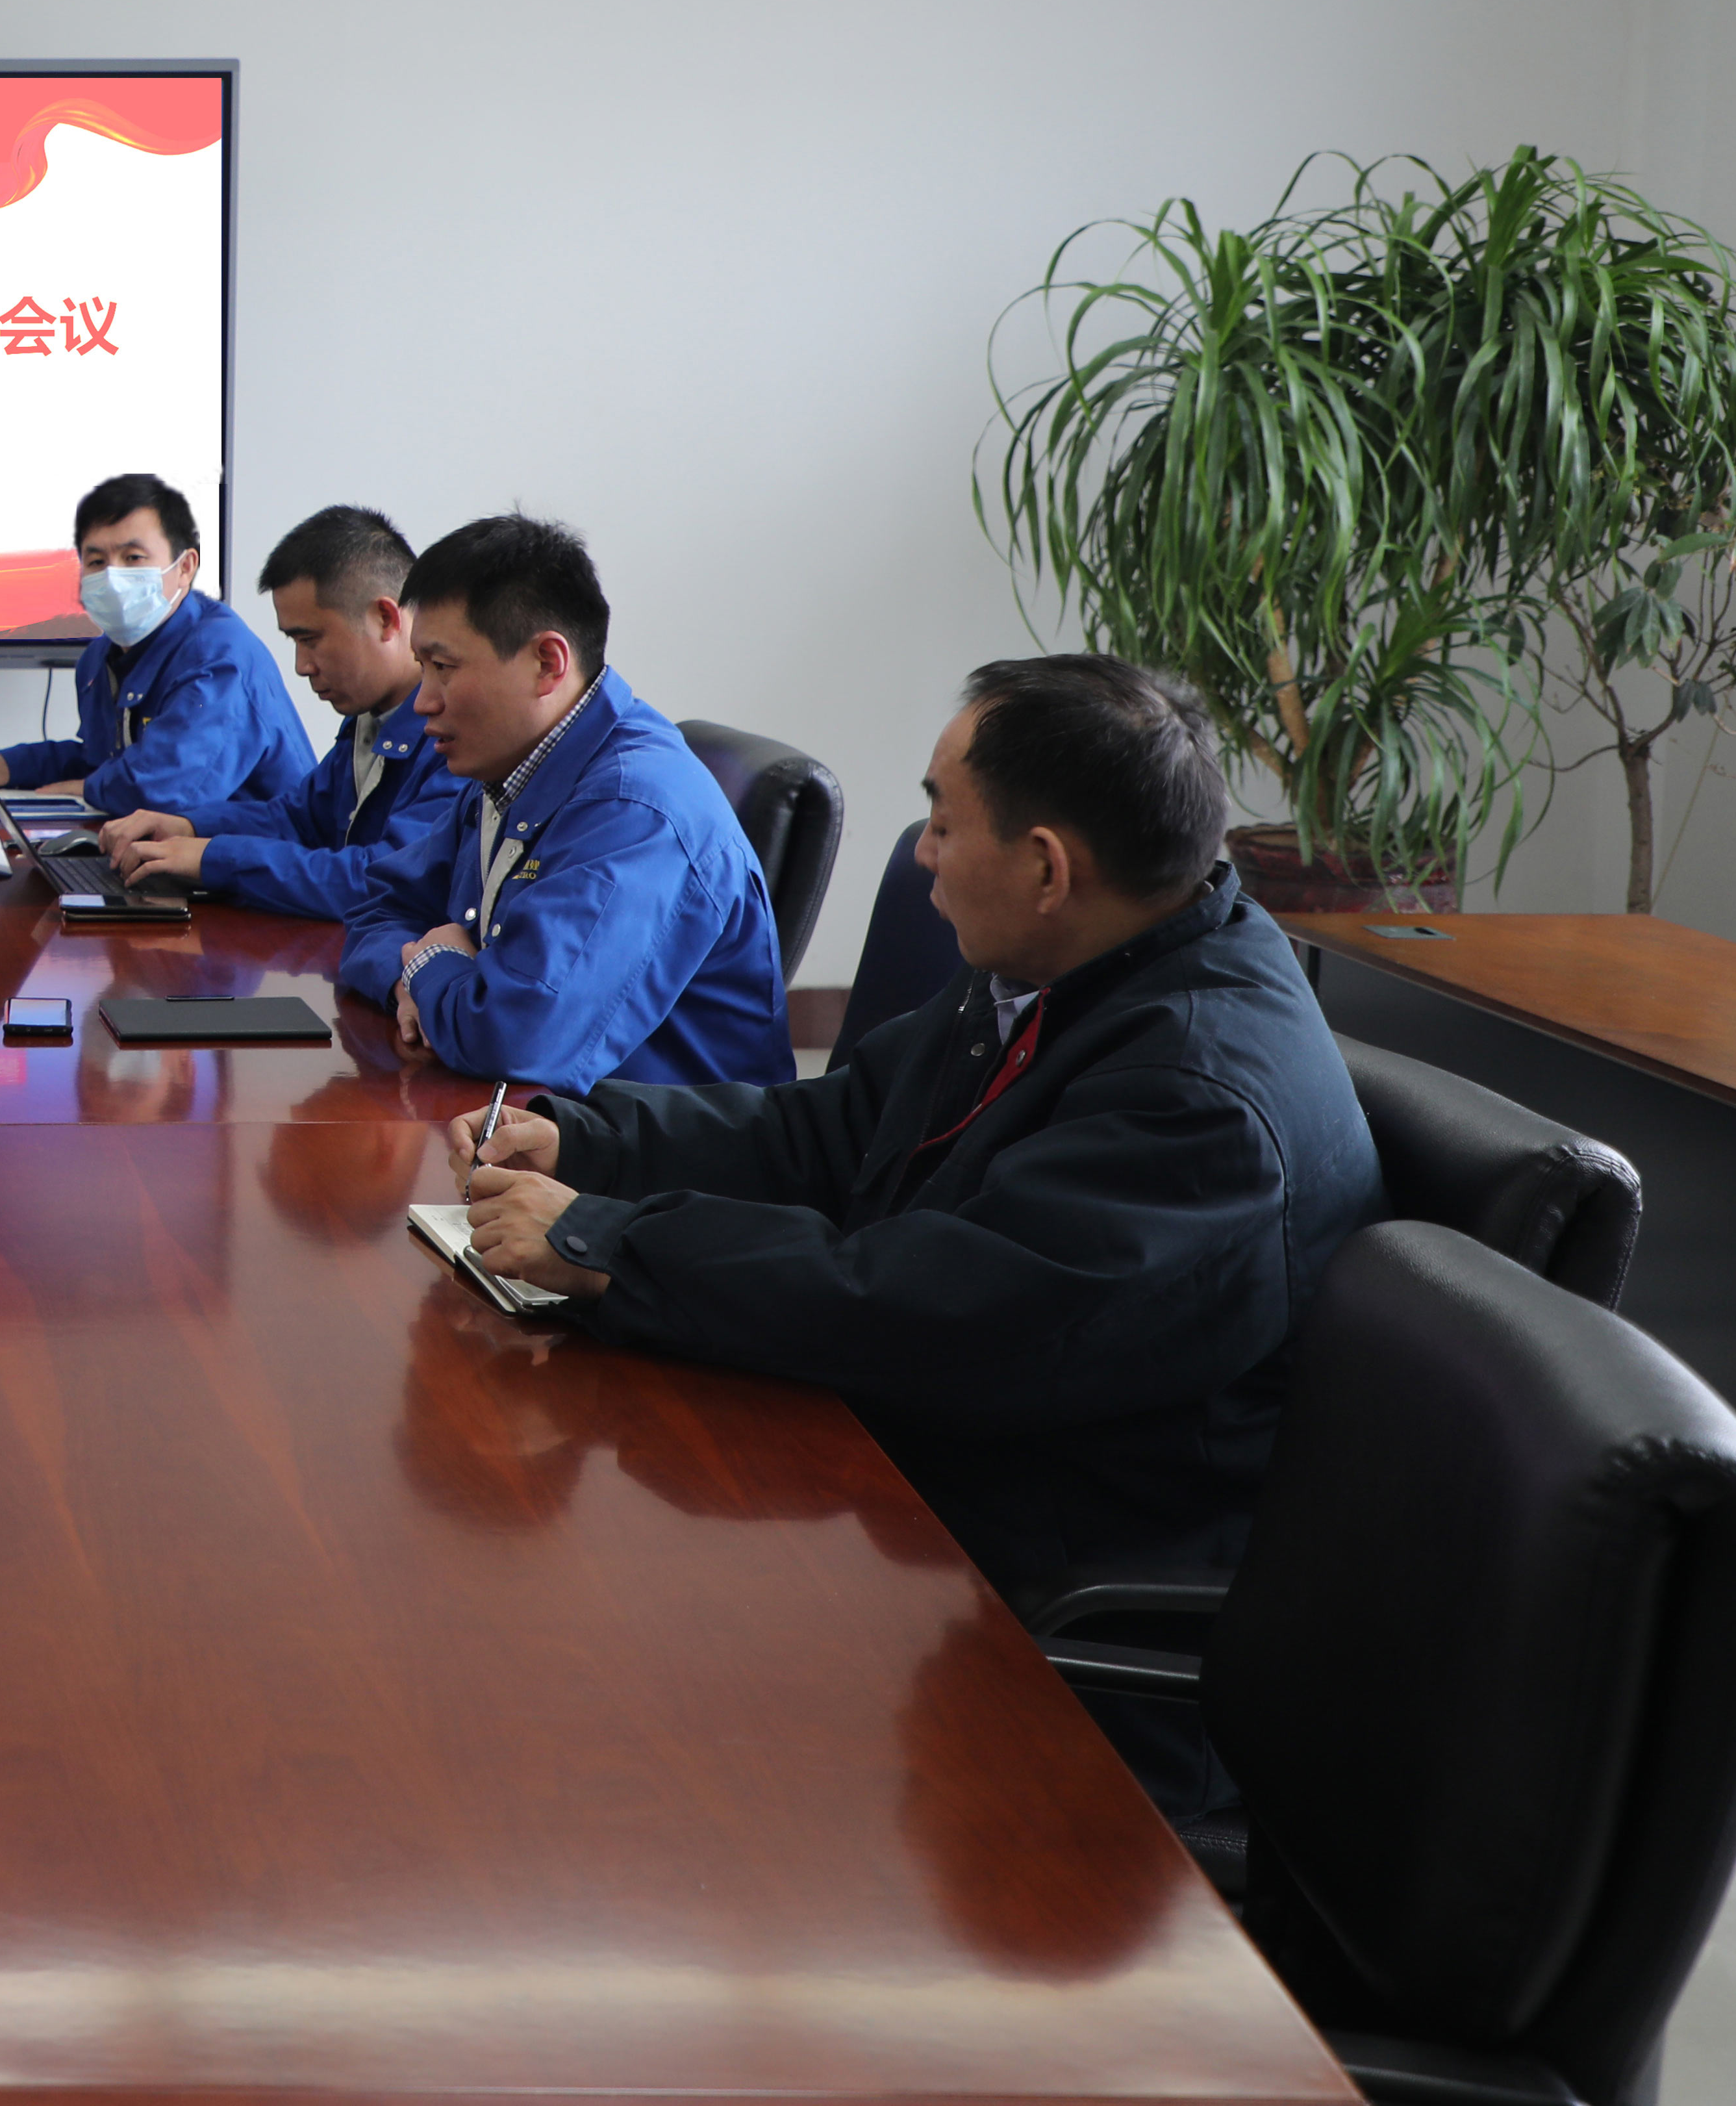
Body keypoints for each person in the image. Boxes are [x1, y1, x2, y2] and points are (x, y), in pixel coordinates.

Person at [441, 656, 1385, 1809]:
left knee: (572, 1720)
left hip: (1041, 1627)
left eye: (942, 824)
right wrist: (594, 1144)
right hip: (931, 1498)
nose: (924, 856)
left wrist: (608, 1243)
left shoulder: (1198, 1100)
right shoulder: (1083, 965)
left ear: (1047, 867)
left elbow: (918, 1309)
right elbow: (838, 1127)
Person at [334, 515, 791, 1089]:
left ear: (548, 663)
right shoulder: (511, 769)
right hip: (546, 1133)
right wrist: (413, 979)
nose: (423, 700)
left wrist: (431, 965)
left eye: (444, 668)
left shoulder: (636, 811)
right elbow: (375, 910)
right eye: (422, 668)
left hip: (655, 1166)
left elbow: (516, 1036)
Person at [97, 502, 463, 916]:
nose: (302, 666)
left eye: (310, 640)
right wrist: (189, 827)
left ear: (385, 618)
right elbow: (297, 820)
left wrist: (213, 859)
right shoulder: (369, 720)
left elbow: (381, 879)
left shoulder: (453, 735)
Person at [0, 472, 310, 828]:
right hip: (167, 856)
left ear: (185, 567)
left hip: (256, 866)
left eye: (134, 558)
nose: (112, 576)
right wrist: (11, 765)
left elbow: (167, 792)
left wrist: (87, 789)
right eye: (96, 562)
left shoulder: (218, 657)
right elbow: (106, 760)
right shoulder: (99, 658)